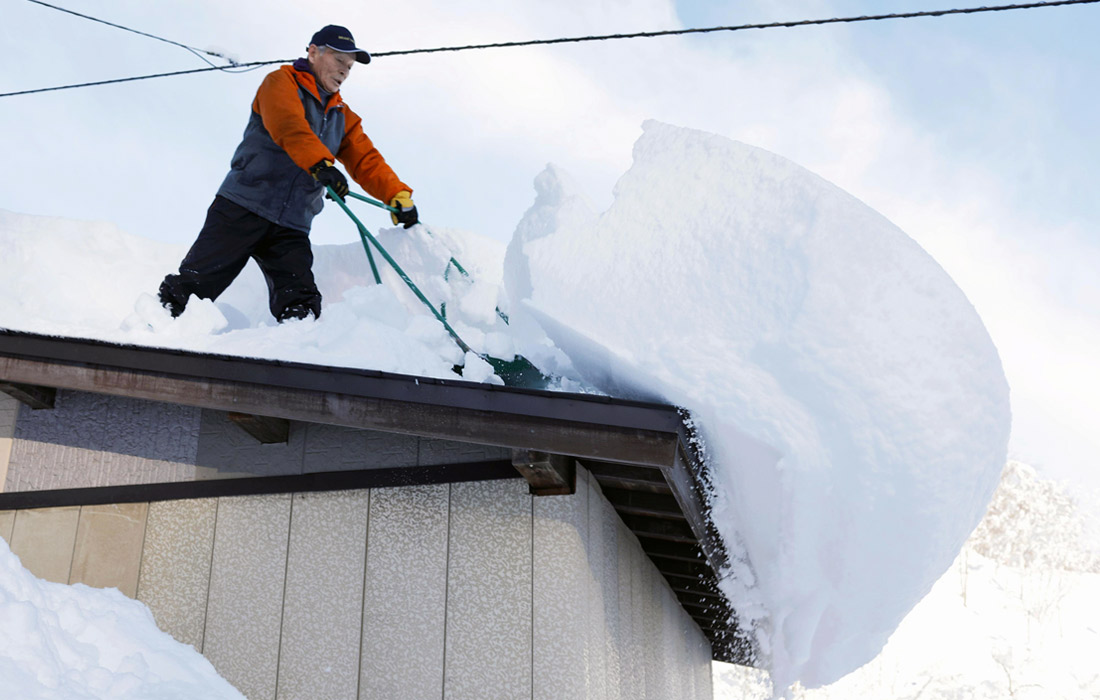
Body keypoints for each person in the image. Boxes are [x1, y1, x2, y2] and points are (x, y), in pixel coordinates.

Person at [159, 24, 418, 322]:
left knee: (300, 300)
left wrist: (396, 195)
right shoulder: (280, 83)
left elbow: (366, 160)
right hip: (243, 206)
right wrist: (322, 165)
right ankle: (156, 328)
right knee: (195, 285)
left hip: (291, 224)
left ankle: (297, 348)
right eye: (338, 60)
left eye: (349, 66)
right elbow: (289, 127)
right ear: (313, 52)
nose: (345, 71)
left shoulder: (341, 116)